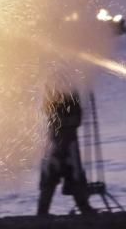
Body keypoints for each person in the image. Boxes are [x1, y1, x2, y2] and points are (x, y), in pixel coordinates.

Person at [37, 83, 96, 216]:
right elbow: (50, 114)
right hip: (57, 141)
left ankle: (84, 207)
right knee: (50, 178)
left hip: (66, 141)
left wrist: (62, 122)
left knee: (74, 176)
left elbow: (76, 118)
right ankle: (43, 211)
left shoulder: (69, 90)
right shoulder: (52, 90)